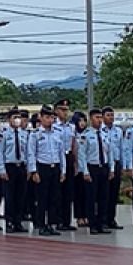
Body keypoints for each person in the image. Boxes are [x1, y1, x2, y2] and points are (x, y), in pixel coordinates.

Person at [27, 105, 67, 236]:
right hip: (42, 168)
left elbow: (61, 153)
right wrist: (34, 171)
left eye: (52, 117)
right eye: (47, 117)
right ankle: (41, 225)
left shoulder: (57, 133)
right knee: (42, 199)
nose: (50, 120)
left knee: (54, 198)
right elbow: (31, 154)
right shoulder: (35, 134)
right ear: (41, 118)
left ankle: (51, 224)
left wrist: (63, 170)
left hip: (54, 168)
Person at [78, 109, 112, 234]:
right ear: (91, 119)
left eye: (100, 117)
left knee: (103, 197)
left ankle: (102, 223)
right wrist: (85, 172)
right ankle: (92, 224)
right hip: (92, 168)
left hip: (103, 167)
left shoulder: (105, 134)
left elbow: (110, 152)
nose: (99, 120)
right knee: (91, 198)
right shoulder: (85, 135)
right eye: (97, 117)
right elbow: (82, 155)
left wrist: (111, 168)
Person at [0, 109, 30, 233]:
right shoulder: (3, 134)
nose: (17, 120)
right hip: (9, 167)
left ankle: (18, 222)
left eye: (19, 117)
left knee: (20, 196)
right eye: (15, 117)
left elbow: (27, 152)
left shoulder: (24, 134)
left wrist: (28, 168)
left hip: (21, 167)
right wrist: (2, 169)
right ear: (9, 119)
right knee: (9, 197)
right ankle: (9, 222)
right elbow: (0, 152)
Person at [55, 99, 77, 231]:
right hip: (57, 158)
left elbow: (73, 145)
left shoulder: (71, 127)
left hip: (68, 158)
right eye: (62, 110)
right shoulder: (53, 126)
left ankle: (66, 221)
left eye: (66, 110)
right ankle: (57, 220)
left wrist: (75, 163)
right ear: (56, 111)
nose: (65, 112)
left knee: (68, 192)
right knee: (57, 192)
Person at [101, 107, 124, 229]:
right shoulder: (99, 131)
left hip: (116, 163)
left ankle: (111, 219)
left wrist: (124, 165)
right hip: (104, 164)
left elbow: (121, 148)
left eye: (112, 115)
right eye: (108, 115)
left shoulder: (118, 131)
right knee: (104, 194)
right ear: (103, 116)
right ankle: (103, 219)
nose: (111, 117)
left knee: (114, 194)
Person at [70, 111, 89, 228]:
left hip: (87, 167)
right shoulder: (73, 134)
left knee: (87, 194)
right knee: (78, 194)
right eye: (80, 121)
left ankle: (86, 216)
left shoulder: (88, 133)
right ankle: (79, 217)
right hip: (76, 168)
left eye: (84, 121)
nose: (82, 123)